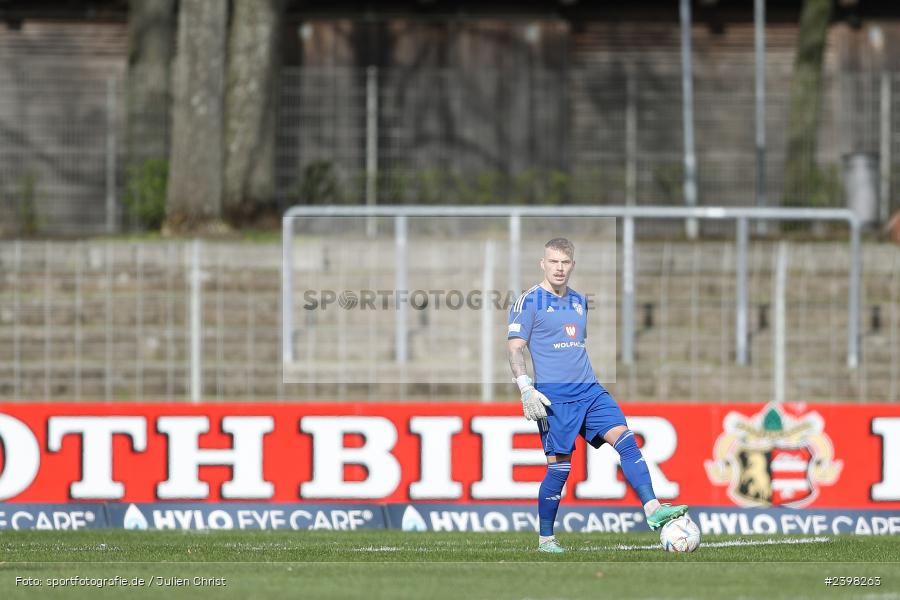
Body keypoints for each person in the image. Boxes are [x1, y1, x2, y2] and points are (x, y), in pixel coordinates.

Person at [507, 237, 688, 553]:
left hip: (590, 391)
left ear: (572, 265)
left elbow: (574, 347)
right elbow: (515, 348)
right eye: (553, 261)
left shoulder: (578, 301)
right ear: (543, 263)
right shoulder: (528, 301)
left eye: (565, 262)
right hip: (555, 399)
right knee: (560, 469)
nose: (559, 268)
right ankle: (546, 539)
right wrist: (525, 387)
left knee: (627, 441)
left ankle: (652, 508)